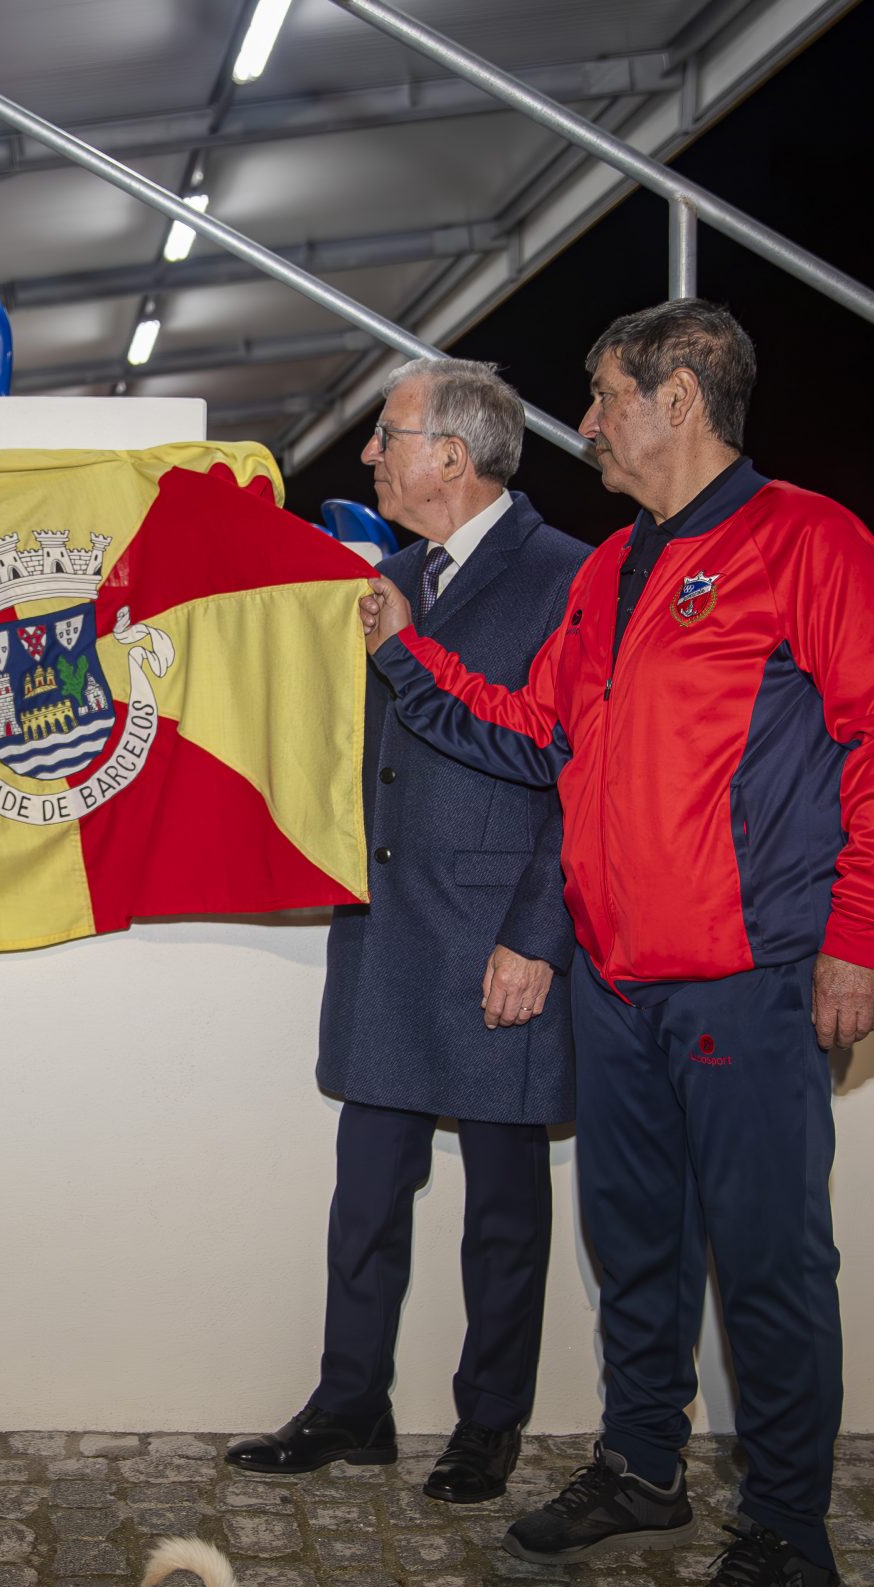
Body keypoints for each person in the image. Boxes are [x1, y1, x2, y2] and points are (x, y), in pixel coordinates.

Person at [359, 301, 874, 1587]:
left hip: (750, 979)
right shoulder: (614, 568)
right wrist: (406, 647)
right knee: (634, 1244)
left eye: (605, 395)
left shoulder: (809, 540)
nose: (589, 422)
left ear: (678, 399)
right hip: (617, 985)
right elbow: (537, 735)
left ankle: (791, 1533)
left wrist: (865, 932)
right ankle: (644, 1467)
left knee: (772, 1263)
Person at [226, 359, 584, 1509]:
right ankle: (350, 1405)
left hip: (498, 942)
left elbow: (571, 771)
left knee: (502, 1213)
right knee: (365, 1194)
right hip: (383, 935)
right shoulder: (382, 576)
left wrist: (536, 933)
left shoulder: (567, 579)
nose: (368, 455)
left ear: (452, 455)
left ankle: (487, 1425)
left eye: (387, 436)